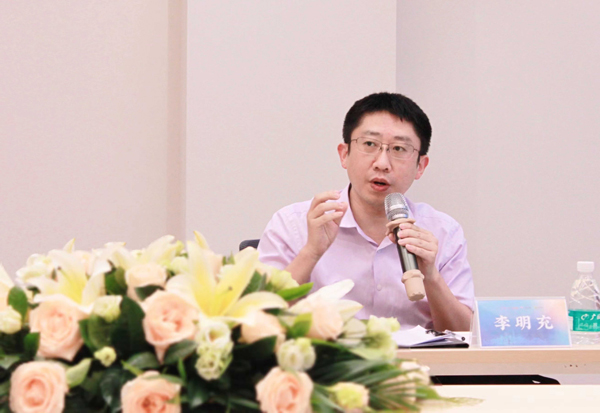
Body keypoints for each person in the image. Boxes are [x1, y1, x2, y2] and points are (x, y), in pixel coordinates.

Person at [258, 92, 473, 331]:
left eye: (399, 148)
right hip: (327, 355)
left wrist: (431, 277)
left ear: (420, 166)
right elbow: (259, 321)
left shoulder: (444, 232)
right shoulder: (293, 224)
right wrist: (310, 252)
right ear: (344, 154)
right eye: (370, 144)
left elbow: (464, 334)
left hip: (419, 357)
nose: (382, 163)